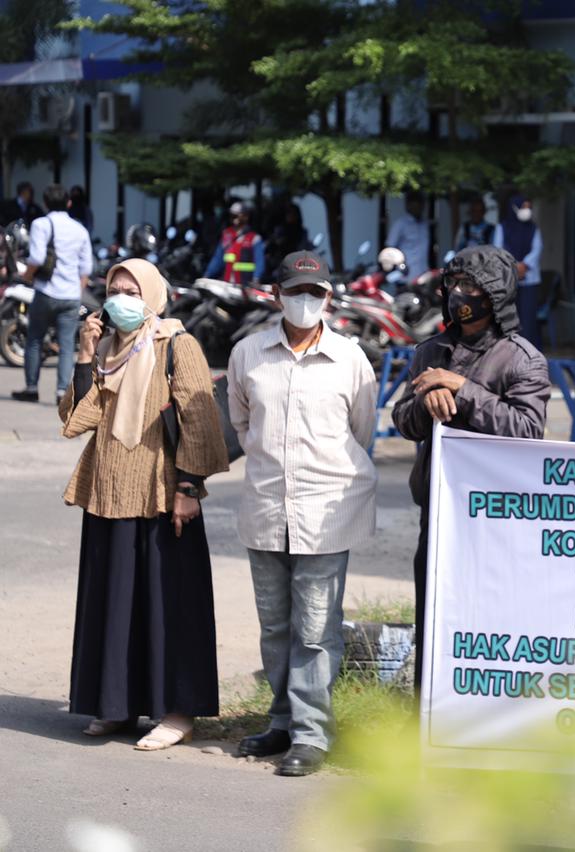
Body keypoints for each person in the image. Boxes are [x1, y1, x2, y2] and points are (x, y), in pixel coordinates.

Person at [59, 258, 230, 750]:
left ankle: (177, 712)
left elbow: (199, 421)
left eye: (132, 290)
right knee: (114, 604)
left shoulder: (177, 344)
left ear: (154, 294)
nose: (121, 299)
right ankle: (116, 706)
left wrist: (188, 488)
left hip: (161, 495)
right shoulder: (110, 349)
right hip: (109, 491)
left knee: (166, 605)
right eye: (114, 289)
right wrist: (84, 353)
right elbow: (76, 419)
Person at [227, 251, 379, 776]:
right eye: (296, 291)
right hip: (267, 504)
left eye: (316, 293)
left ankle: (313, 735)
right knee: (274, 626)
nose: (306, 301)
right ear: (276, 295)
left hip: (327, 509)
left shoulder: (351, 359)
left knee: (315, 628)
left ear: (330, 298)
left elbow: (362, 431)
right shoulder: (248, 354)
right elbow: (243, 425)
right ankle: (282, 722)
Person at [392, 245, 551, 693]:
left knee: (489, 620)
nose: (461, 294)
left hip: (494, 516)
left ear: (495, 295)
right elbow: (403, 422)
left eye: (473, 287)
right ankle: (427, 715)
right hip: (438, 509)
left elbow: (525, 430)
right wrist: (427, 402)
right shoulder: (430, 351)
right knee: (433, 615)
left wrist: (463, 390)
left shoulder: (521, 358)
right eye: (455, 284)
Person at [10, 184, 94, 404]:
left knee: (35, 339)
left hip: (46, 292)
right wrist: (77, 291)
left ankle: (31, 388)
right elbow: (86, 268)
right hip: (71, 296)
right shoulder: (80, 229)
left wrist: (27, 276)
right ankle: (61, 393)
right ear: (68, 203)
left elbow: (36, 258)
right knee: (67, 345)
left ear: (45, 203)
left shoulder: (41, 224)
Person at [494, 194, 543, 348]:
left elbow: (537, 249)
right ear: (514, 208)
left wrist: (525, 266)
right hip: (508, 280)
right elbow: (498, 250)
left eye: (529, 208)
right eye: (524, 207)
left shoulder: (534, 228)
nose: (526, 211)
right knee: (508, 318)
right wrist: (513, 266)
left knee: (528, 319)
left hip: (530, 280)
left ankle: (529, 353)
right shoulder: (502, 227)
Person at [204, 201, 264, 285]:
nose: (234, 218)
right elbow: (217, 259)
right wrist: (207, 275)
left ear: (246, 217)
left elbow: (259, 261)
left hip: (245, 285)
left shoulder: (254, 238)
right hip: (227, 284)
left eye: (237, 215)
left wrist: (256, 278)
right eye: (232, 215)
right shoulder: (226, 235)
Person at [388, 190, 432, 282]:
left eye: (420, 205)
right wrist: (400, 265)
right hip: (406, 276)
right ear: (408, 206)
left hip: (423, 275)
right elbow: (390, 248)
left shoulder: (425, 225)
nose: (418, 208)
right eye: (415, 205)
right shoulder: (400, 224)